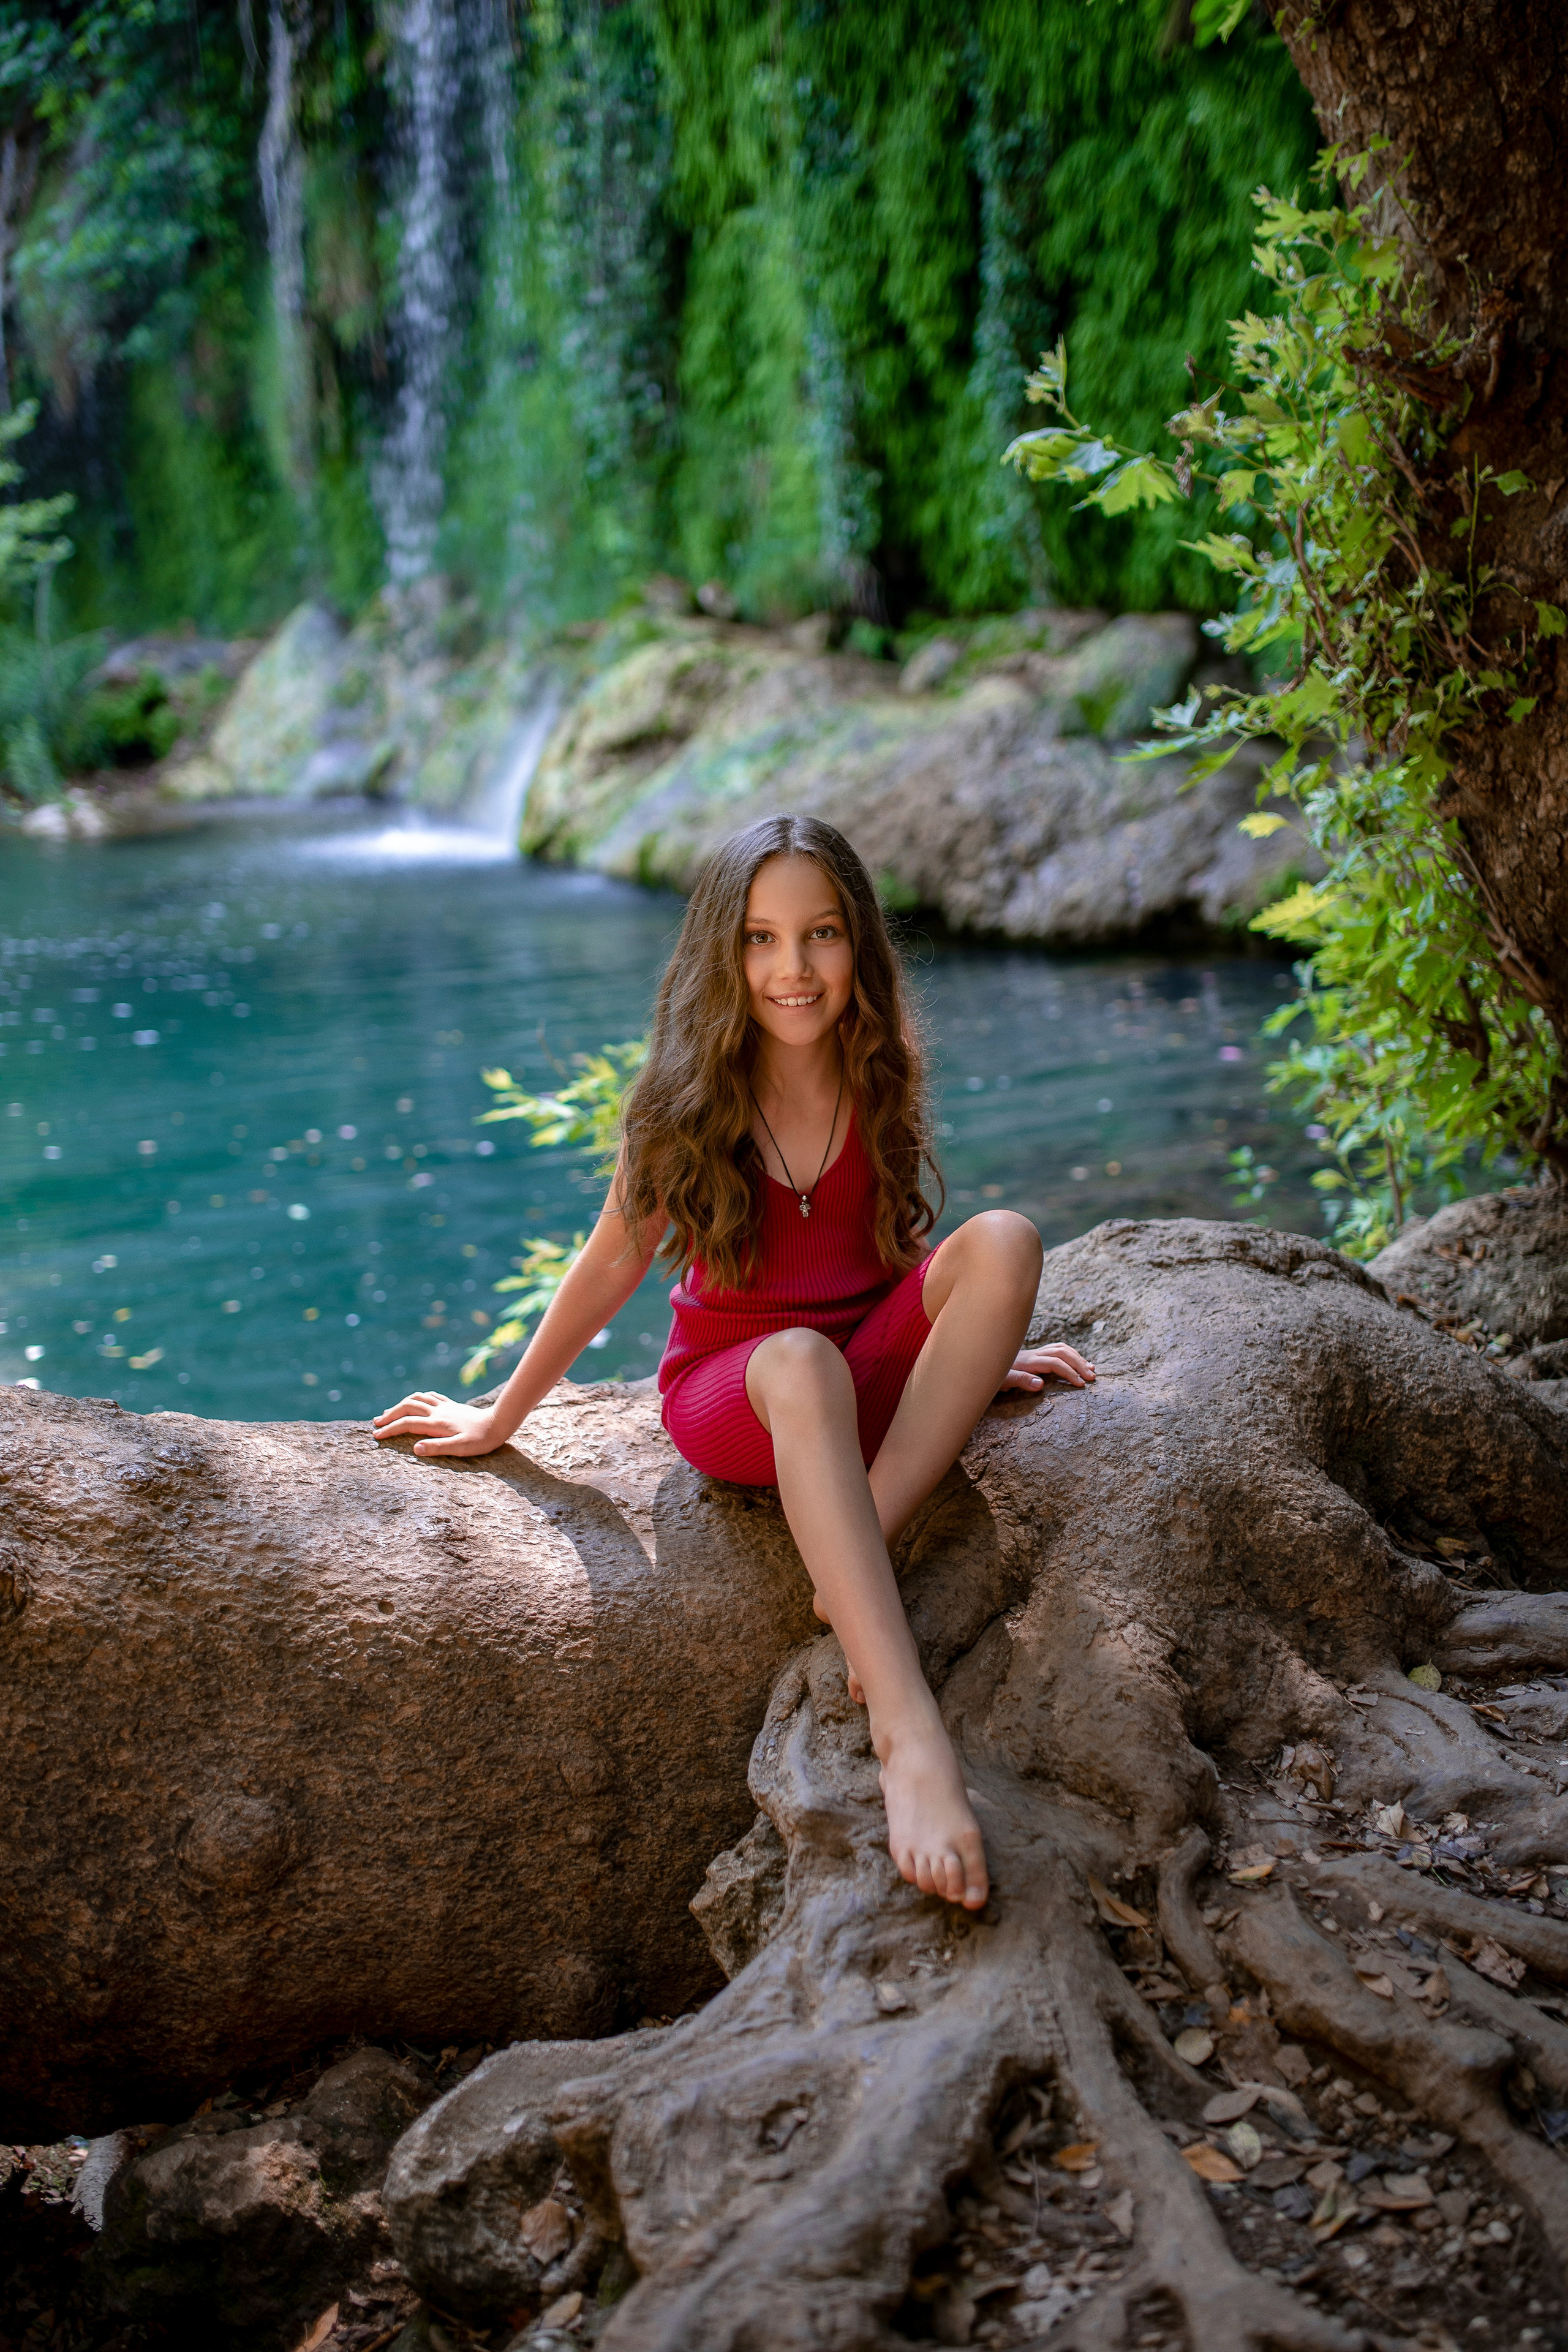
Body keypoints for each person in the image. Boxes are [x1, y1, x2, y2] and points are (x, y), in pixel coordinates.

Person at [373, 814, 1094, 1910]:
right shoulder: (688, 1100)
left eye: (821, 935)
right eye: (761, 939)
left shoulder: (876, 1065)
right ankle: (906, 1731)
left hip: (860, 1373)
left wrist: (966, 1344)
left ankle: (853, 1550)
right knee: (801, 1358)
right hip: (744, 1393)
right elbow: (608, 1267)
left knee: (1004, 1241)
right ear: (724, 951)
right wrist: (503, 1414)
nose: (792, 970)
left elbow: (889, 1245)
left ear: (860, 945)